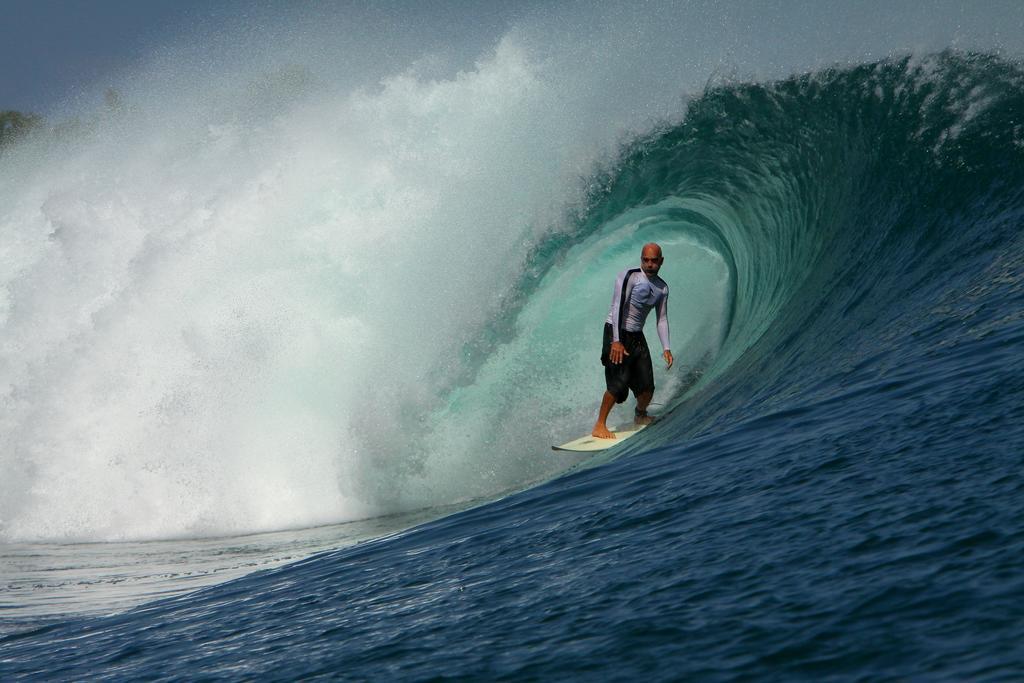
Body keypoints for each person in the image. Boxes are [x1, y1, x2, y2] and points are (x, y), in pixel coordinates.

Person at [592, 242, 673, 439]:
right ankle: (599, 425)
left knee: (647, 388)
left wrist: (666, 347)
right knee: (618, 385)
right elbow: (618, 305)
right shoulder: (630, 276)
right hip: (616, 331)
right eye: (646, 260)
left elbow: (661, 318)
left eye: (654, 261)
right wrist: (616, 341)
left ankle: (640, 415)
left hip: (637, 336)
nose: (650, 264)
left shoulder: (662, 288)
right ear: (641, 259)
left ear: (661, 261)